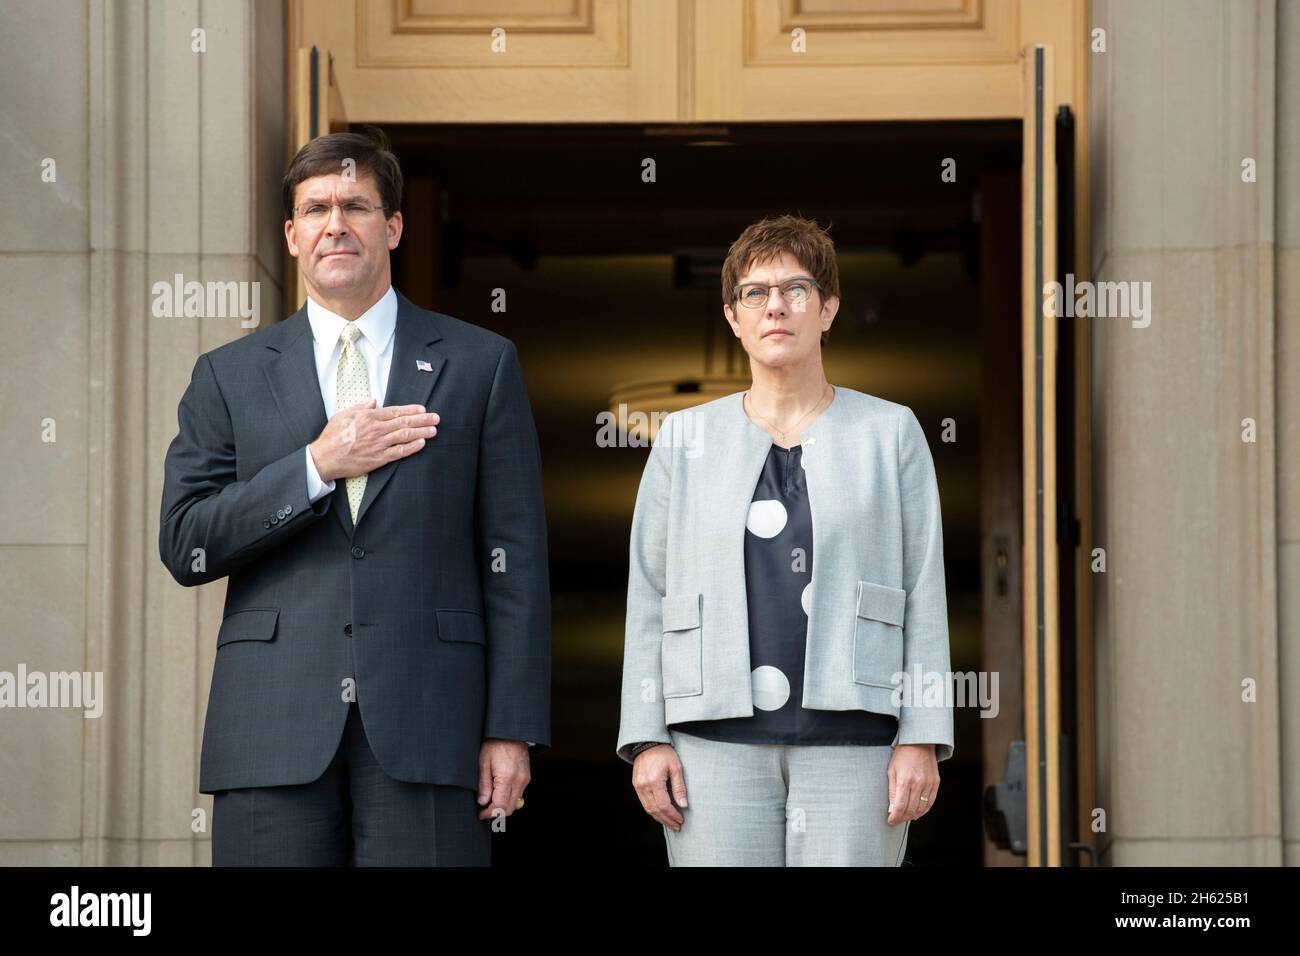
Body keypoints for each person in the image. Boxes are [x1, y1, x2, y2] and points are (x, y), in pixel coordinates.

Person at [159, 127, 550, 865]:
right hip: (269, 724)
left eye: (356, 206)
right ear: (292, 235)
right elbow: (186, 542)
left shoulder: (479, 363)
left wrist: (510, 728)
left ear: (394, 227)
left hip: (433, 722)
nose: (334, 224)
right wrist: (314, 464)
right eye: (315, 210)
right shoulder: (228, 374)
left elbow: (515, 560)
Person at [616, 214, 953, 866]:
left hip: (856, 741)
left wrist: (923, 735)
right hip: (710, 743)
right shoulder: (683, 440)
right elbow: (649, 594)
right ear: (732, 316)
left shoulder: (892, 433)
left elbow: (924, 588)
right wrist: (646, 736)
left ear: (828, 309)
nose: (776, 306)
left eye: (796, 289)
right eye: (755, 292)